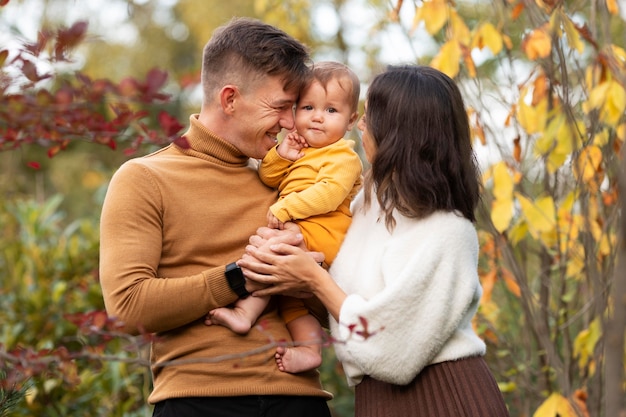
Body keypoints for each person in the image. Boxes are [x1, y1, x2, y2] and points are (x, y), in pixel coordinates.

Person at [238, 65, 511, 416]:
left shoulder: (447, 231)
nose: (361, 124)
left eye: (371, 116)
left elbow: (393, 350)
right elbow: (345, 310)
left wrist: (314, 278)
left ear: (401, 132)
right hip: (377, 400)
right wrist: (298, 266)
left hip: (442, 396)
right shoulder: (366, 207)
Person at [98, 17, 333, 417]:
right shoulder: (145, 178)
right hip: (199, 400)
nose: (291, 123)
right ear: (229, 99)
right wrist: (241, 276)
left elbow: (327, 310)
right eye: (280, 107)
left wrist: (310, 279)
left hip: (300, 399)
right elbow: (127, 304)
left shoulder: (289, 186)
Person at [206, 61, 363, 374]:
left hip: (323, 236)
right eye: (307, 107)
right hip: (301, 234)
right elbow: (268, 176)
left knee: (266, 258)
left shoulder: (343, 157)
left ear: (351, 120)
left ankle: (244, 313)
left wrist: (285, 208)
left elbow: (330, 193)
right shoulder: (300, 151)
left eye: (331, 111)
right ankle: (309, 350)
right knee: (291, 299)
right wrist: (282, 155)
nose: (317, 117)